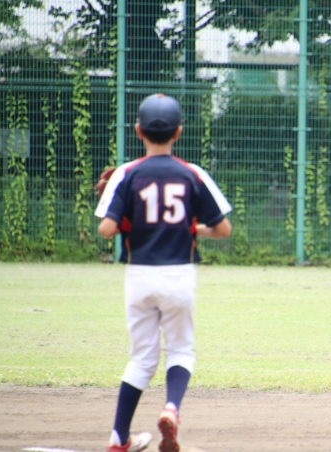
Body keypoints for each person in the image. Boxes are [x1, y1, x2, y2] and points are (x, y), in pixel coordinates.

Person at [95, 93, 233, 452]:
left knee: (142, 359)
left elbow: (106, 230)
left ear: (138, 131)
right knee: (181, 351)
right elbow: (223, 229)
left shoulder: (127, 173)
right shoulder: (192, 173)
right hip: (178, 276)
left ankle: (118, 438)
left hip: (139, 276)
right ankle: (171, 408)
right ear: (179, 132)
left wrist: (126, 212)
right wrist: (191, 227)